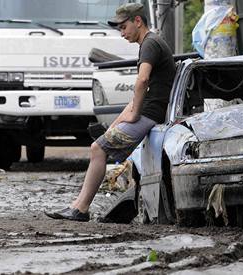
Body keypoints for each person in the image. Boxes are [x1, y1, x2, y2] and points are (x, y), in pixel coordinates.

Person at [45, 3, 176, 222]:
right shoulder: (150, 43)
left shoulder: (150, 44)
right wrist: (119, 120)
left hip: (150, 114)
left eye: (124, 27)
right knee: (99, 145)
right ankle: (78, 206)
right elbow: (140, 95)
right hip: (148, 111)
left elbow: (142, 81)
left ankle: (81, 209)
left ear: (138, 21)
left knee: (98, 148)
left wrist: (133, 115)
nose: (122, 33)